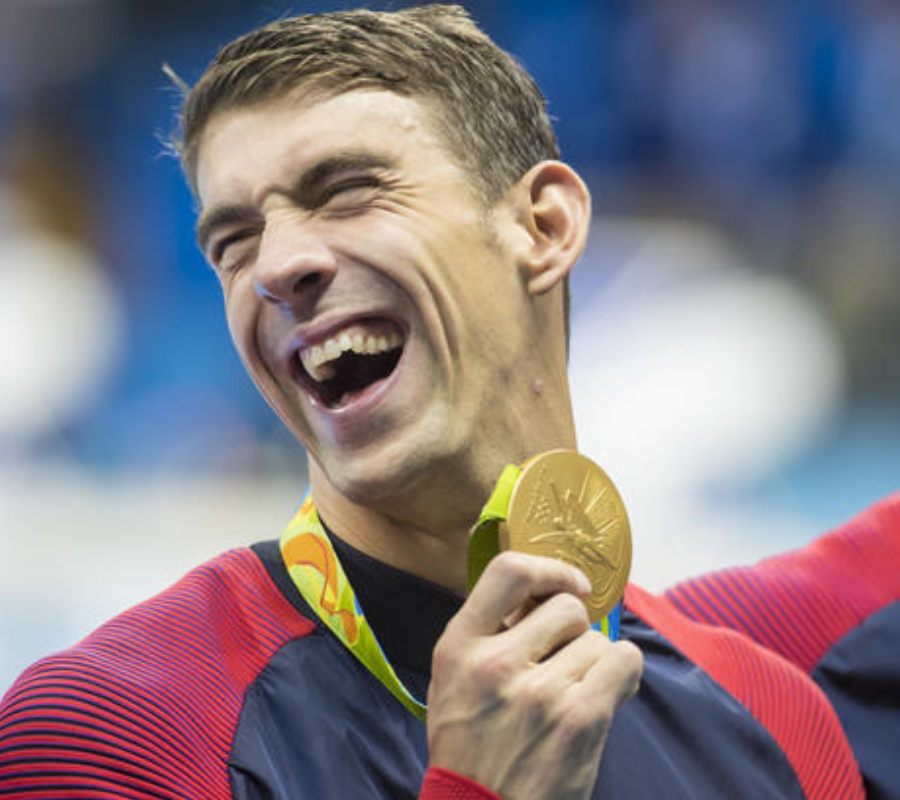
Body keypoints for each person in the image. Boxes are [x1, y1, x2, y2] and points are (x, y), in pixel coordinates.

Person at [1, 6, 898, 799]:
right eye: (234, 242)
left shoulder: (766, 714)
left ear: (543, 226)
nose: (276, 268)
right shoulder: (113, 732)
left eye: (348, 191)